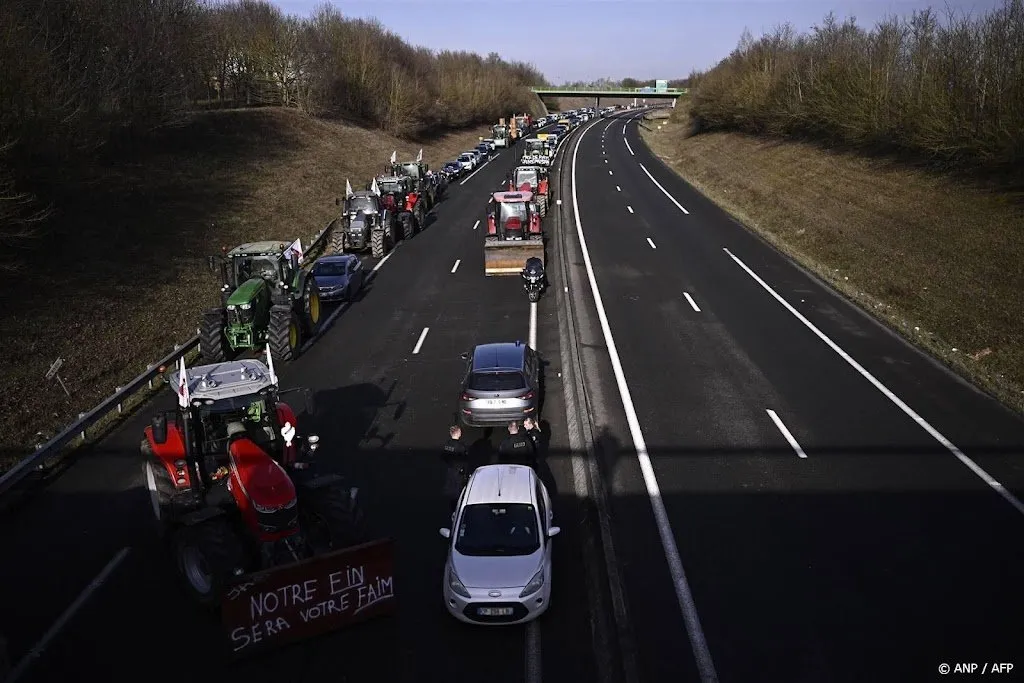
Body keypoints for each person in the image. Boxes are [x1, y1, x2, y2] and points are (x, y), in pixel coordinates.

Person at [442, 425, 469, 513]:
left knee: (451, 489)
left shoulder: (446, 445)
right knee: (459, 491)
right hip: (459, 472)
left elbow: (443, 456)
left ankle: (452, 509)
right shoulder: (461, 446)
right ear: (457, 433)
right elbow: (465, 459)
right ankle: (459, 510)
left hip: (450, 469)